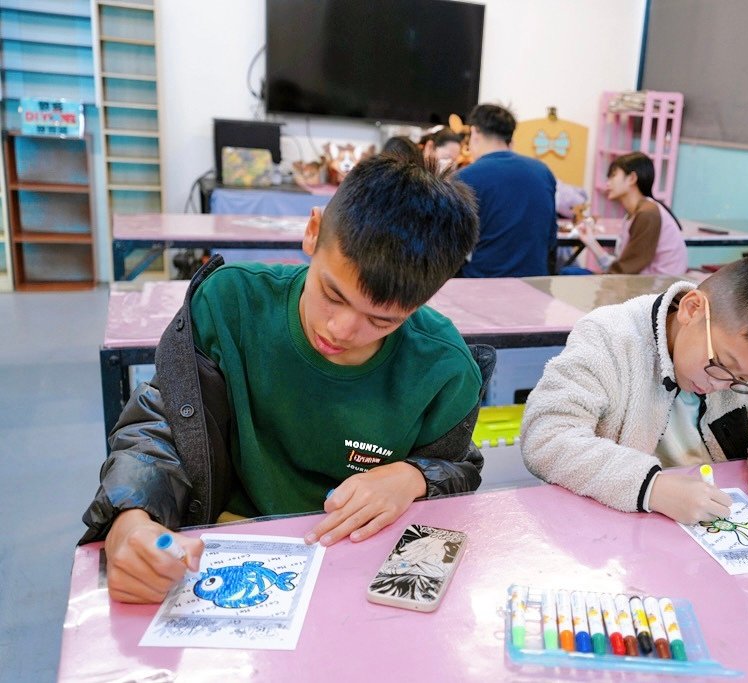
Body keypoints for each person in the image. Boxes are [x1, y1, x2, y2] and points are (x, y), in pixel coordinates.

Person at [81, 156, 491, 604]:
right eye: (332, 294)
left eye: (382, 321)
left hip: (357, 571)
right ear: (313, 232)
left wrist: (414, 477)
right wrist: (132, 516)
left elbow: (458, 466)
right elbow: (162, 423)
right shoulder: (230, 302)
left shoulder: (443, 368)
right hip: (228, 541)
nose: (341, 330)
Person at [521, 256, 748, 525]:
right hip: (619, 530)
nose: (721, 384)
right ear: (692, 309)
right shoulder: (609, 338)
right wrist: (651, 487)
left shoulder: (740, 369)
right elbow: (546, 436)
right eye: (721, 365)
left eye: (743, 380)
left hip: (706, 526)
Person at [457, 103, 557, 277]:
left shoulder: (466, 177)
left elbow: (448, 247)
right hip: (537, 285)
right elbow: (550, 239)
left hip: (482, 286)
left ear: (474, 132)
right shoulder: (543, 171)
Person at [573, 152, 688, 275]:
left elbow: (625, 271)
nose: (608, 183)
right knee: (573, 273)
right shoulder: (634, 214)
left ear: (632, 178)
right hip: (644, 284)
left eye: (613, 176)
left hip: (656, 290)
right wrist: (590, 241)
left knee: (571, 274)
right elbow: (624, 266)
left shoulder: (647, 214)